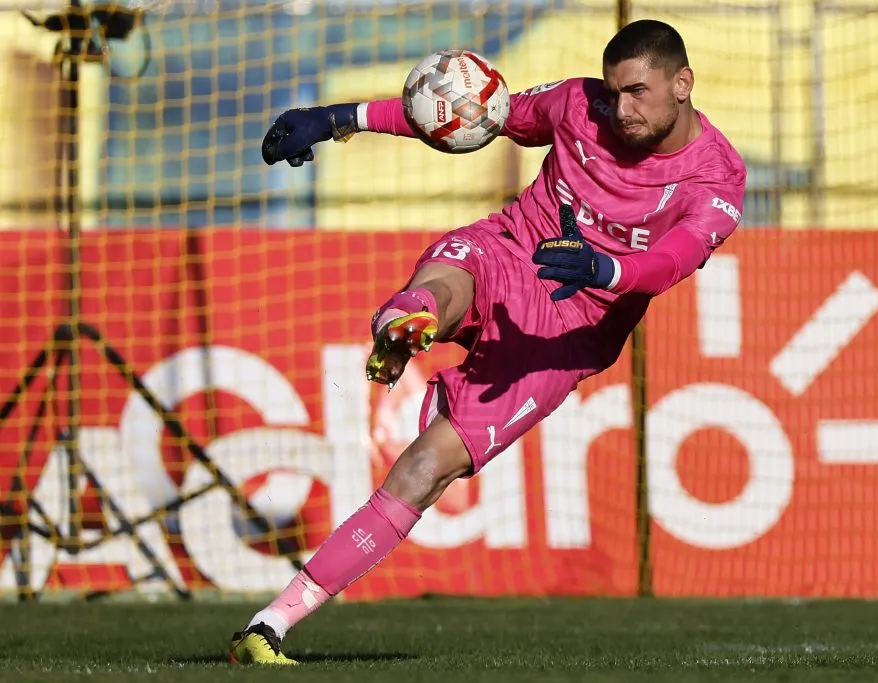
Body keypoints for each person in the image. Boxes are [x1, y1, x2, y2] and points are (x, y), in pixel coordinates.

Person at [229, 18, 746, 665]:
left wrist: (603, 270)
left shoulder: (718, 178)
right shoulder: (576, 104)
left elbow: (669, 262)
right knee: (449, 282)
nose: (621, 109)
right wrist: (338, 117)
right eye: (614, 93)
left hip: (565, 331)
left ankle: (268, 625)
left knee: (423, 469)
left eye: (637, 92)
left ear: (683, 83)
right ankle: (408, 321)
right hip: (514, 245)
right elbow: (471, 112)